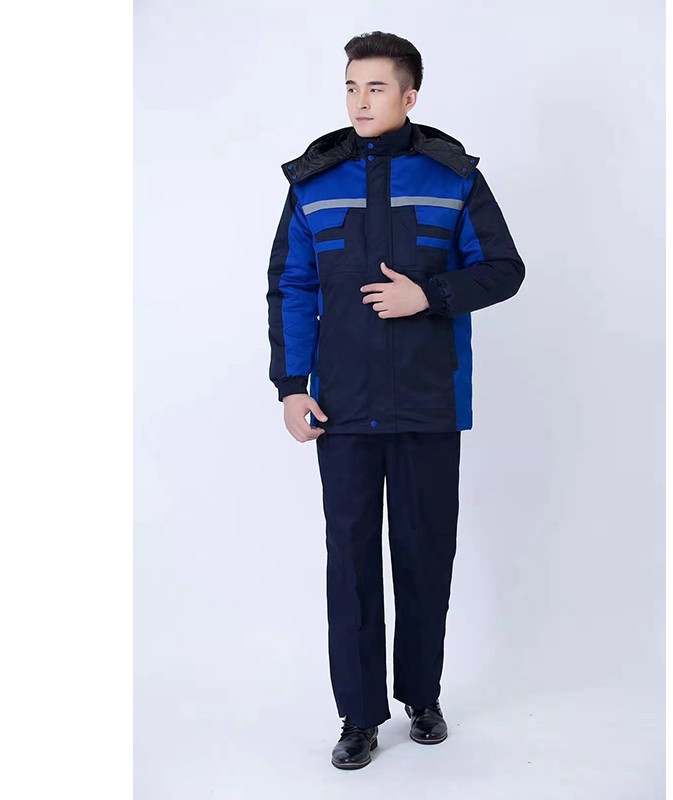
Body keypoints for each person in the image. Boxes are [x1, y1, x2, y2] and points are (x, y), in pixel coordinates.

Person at [266, 30, 525, 770]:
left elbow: (504, 268)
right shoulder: (313, 183)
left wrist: (429, 295)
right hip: (342, 406)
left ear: (410, 96)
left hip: (427, 401)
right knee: (349, 563)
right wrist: (292, 386)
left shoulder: (453, 178)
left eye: (376, 88)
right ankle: (357, 716)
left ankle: (423, 696)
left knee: (423, 555)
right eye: (351, 86)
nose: (360, 101)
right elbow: (291, 286)